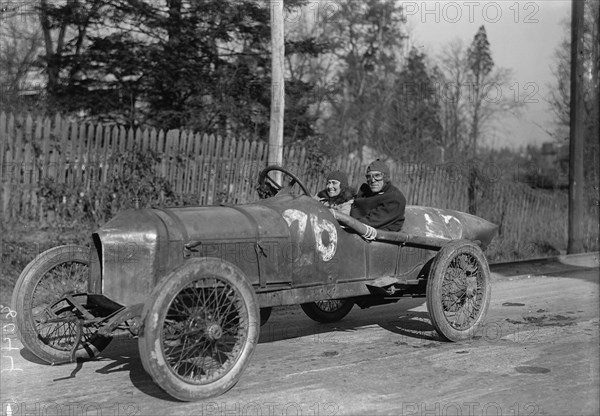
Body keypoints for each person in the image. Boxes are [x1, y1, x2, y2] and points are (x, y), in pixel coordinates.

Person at [349, 159, 406, 232]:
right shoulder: (365, 194)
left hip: (381, 239)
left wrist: (347, 221)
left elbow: (370, 222)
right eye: (369, 177)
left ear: (385, 178)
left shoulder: (394, 198)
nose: (373, 180)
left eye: (377, 176)